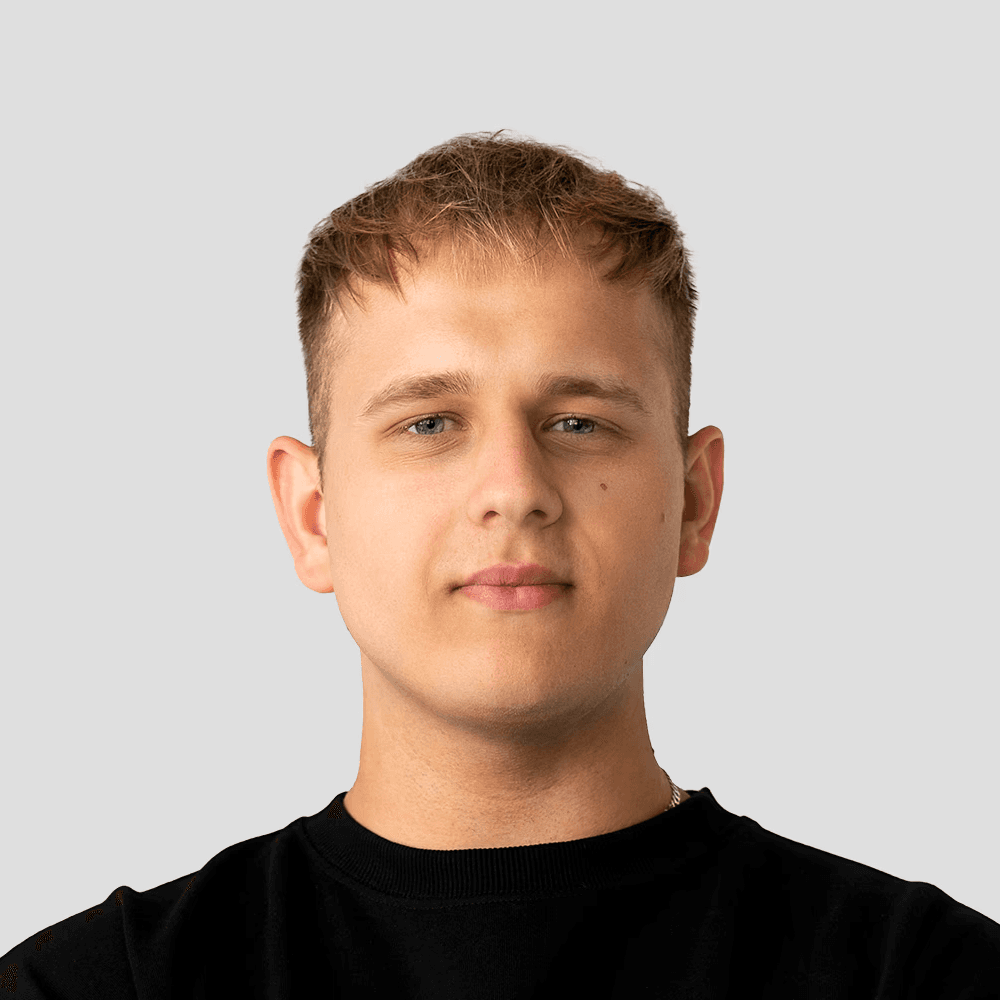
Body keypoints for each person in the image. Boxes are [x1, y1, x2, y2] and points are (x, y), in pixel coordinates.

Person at [3, 130, 997, 997]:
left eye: (578, 421)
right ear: (311, 515)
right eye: (430, 422)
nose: (513, 488)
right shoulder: (96, 986)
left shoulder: (923, 975)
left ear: (695, 501)